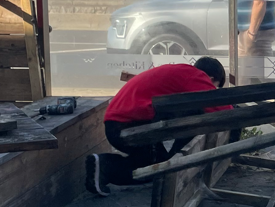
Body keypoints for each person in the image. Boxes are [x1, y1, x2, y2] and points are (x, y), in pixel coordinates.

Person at [87, 57, 229, 196]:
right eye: (214, 86)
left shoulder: (180, 73)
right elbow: (218, 107)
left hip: (119, 122)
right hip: (126, 125)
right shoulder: (195, 76)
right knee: (158, 169)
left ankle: (103, 167)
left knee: (156, 160)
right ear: (210, 79)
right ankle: (105, 167)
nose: (212, 89)